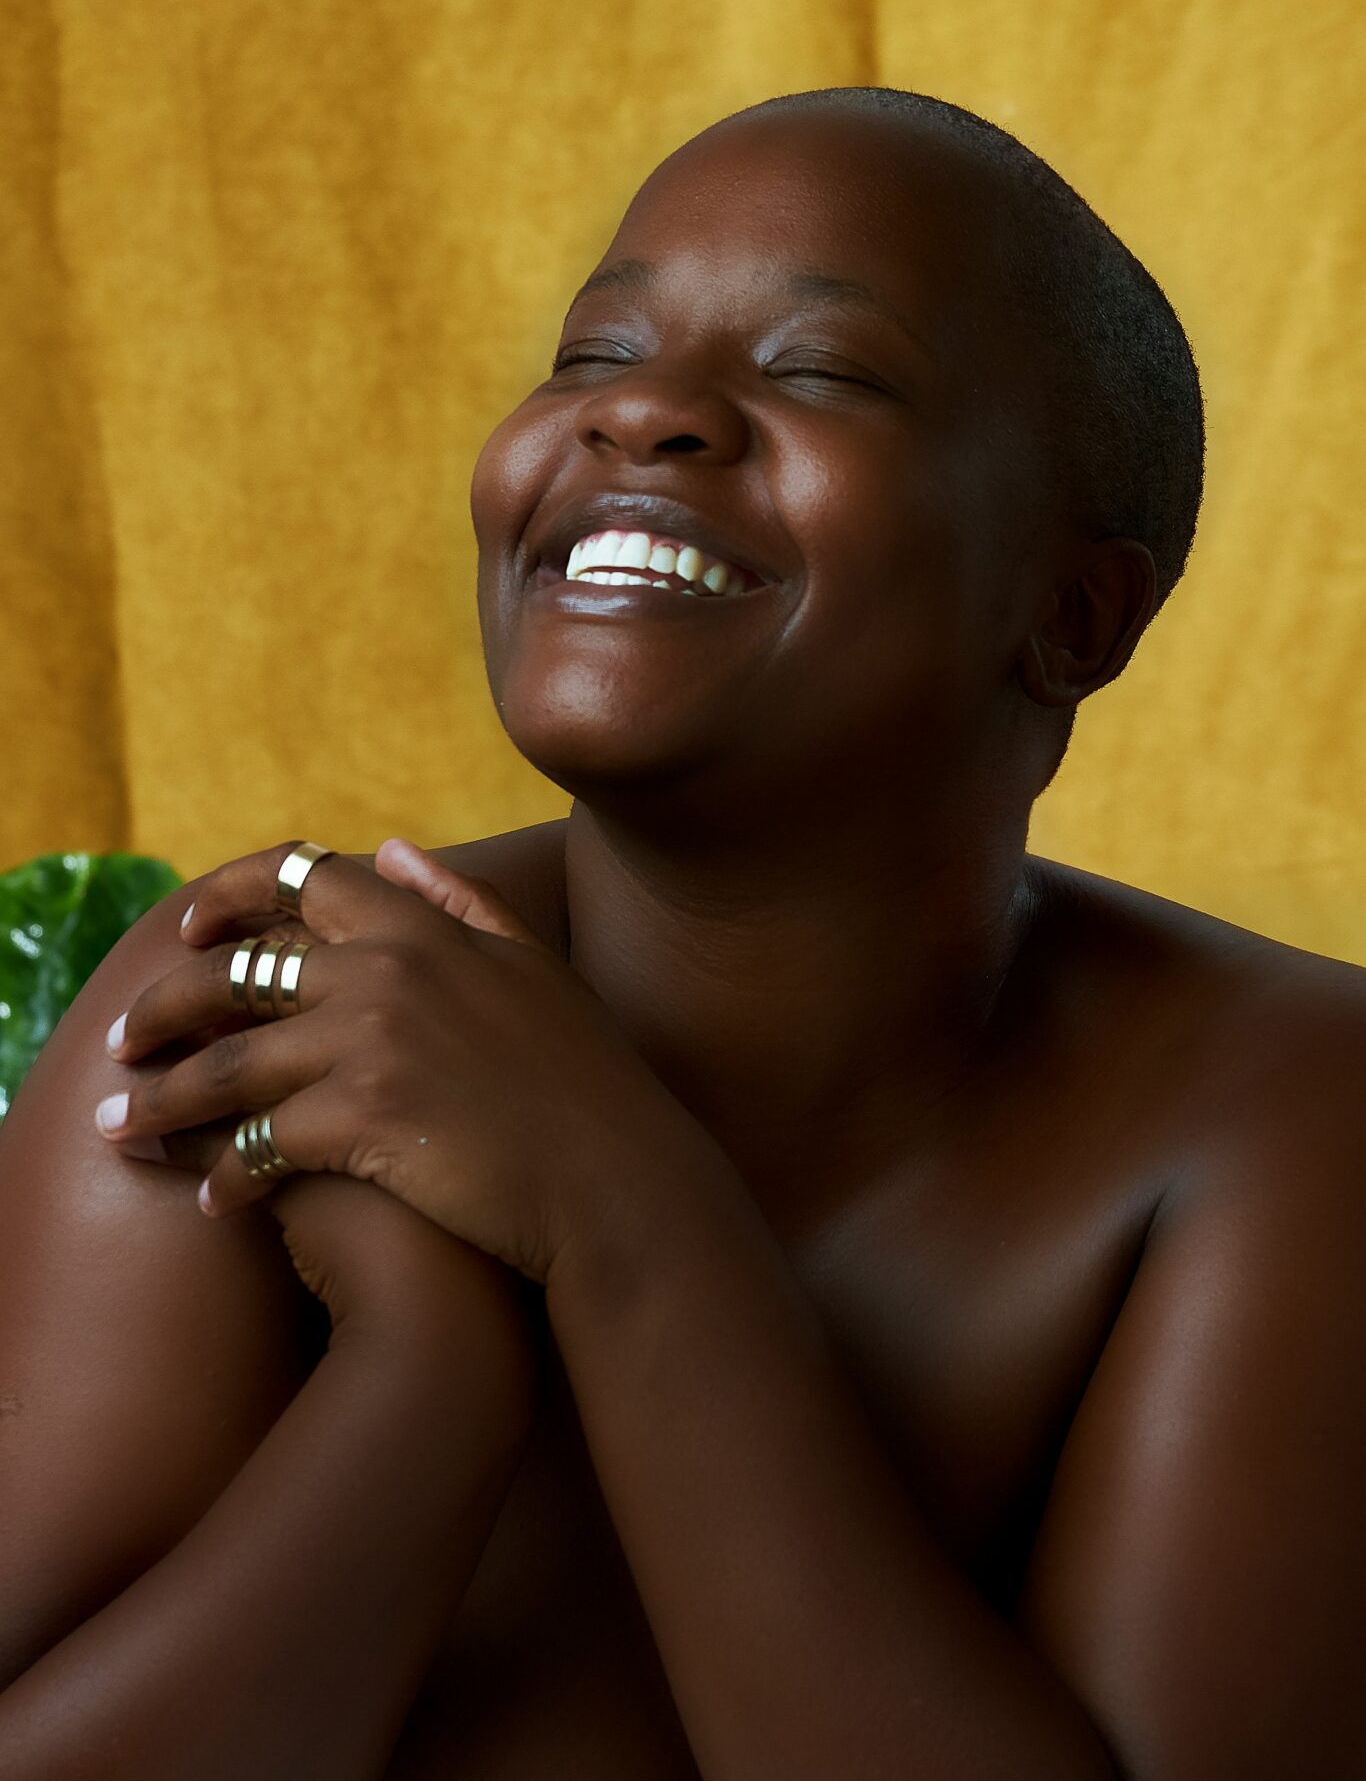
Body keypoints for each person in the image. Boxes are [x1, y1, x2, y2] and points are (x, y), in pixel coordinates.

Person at [0, 86, 1361, 1780]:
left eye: (822, 373)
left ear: (1070, 614)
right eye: (590, 357)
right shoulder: (257, 1006)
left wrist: (623, 1217)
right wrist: (433, 1381)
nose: (643, 413)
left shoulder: (1289, 1113)